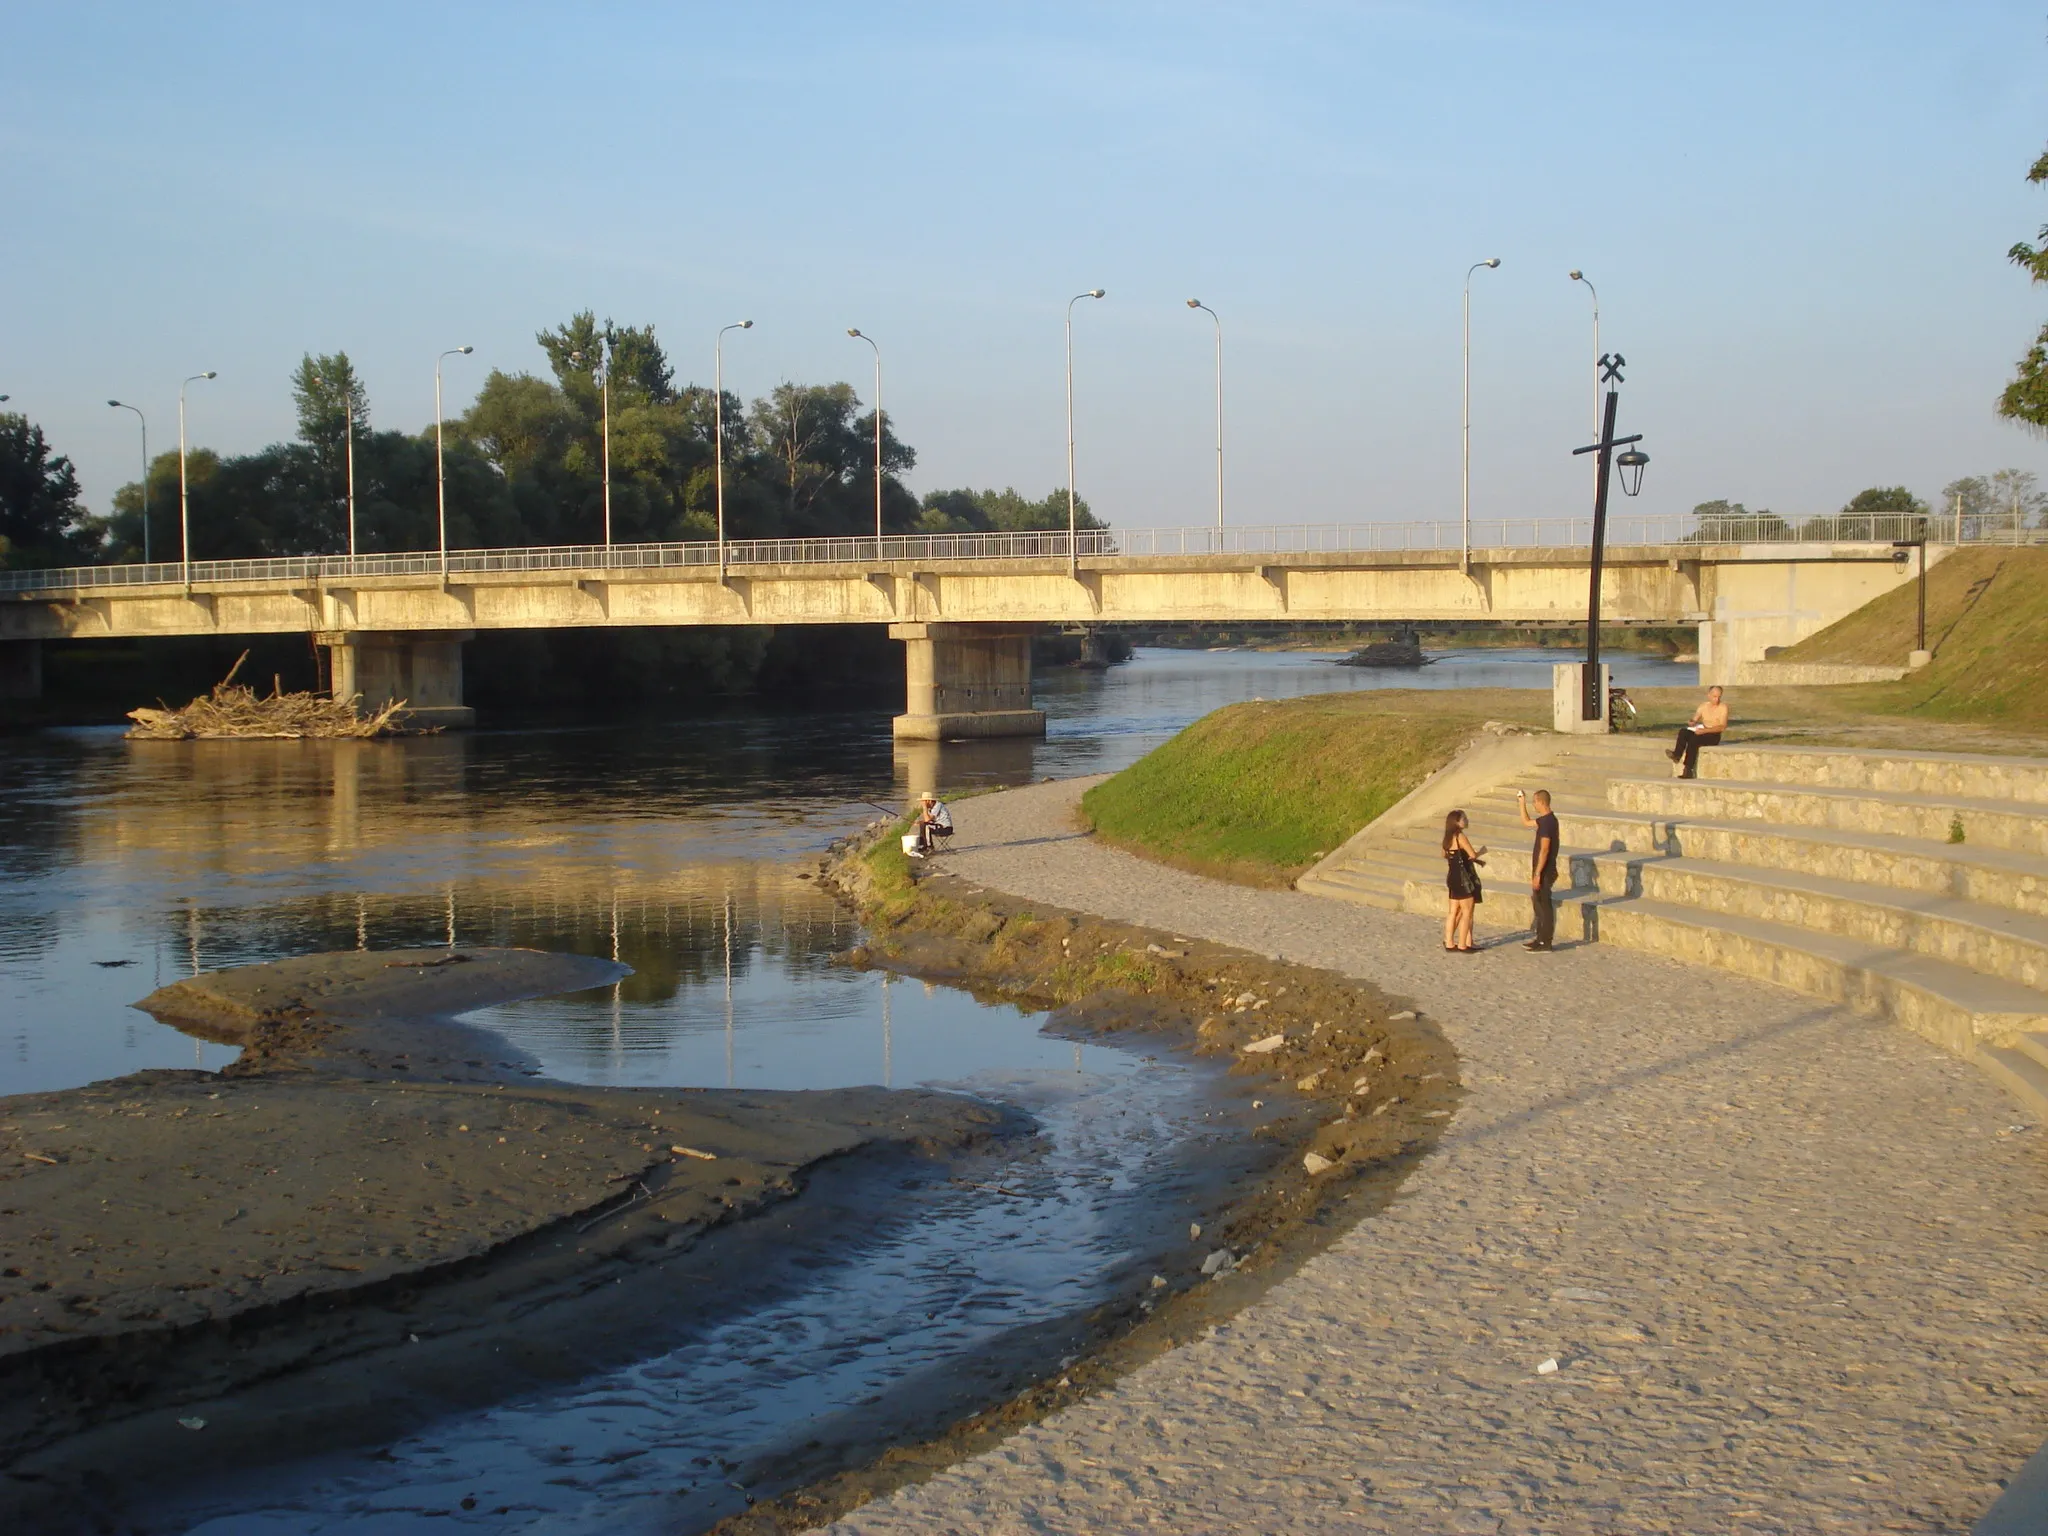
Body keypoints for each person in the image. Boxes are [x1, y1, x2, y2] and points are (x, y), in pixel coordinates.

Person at [1516, 787, 1560, 951]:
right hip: (1542, 870)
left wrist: (1537, 874)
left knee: (1544, 905)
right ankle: (1540, 938)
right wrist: (1522, 803)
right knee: (1539, 903)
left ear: (1541, 802)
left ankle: (1545, 941)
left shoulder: (1548, 823)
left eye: (1534, 802)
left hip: (1545, 871)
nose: (1533, 805)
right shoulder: (1546, 820)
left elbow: (1545, 849)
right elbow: (1527, 822)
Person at [1441, 809, 1486, 953]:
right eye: (1464, 818)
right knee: (1467, 912)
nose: (1466, 820)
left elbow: (1444, 854)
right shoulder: (1460, 836)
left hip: (1452, 876)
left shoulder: (1447, 837)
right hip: (1463, 878)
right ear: (1457, 822)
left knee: (1452, 911)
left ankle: (1449, 942)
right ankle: (1462, 944)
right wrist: (1482, 852)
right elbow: (1472, 855)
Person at [1669, 685, 1730, 779]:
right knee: (1683, 732)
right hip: (1702, 730)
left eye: (1719, 697)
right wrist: (1692, 722)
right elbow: (1694, 719)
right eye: (1714, 696)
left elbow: (1722, 727)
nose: (1716, 699)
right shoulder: (1703, 706)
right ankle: (1677, 755)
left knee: (1694, 740)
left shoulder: (1723, 708)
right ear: (1709, 695)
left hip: (1713, 734)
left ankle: (1688, 770)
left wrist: (1705, 731)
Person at [911, 791, 953, 857]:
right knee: (923, 824)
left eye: (924, 801)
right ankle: (924, 845)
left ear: (929, 801)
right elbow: (928, 820)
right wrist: (919, 822)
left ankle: (930, 847)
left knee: (926, 826)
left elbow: (927, 820)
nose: (922, 803)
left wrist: (924, 808)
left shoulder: (937, 806)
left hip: (946, 828)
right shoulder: (931, 808)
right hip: (939, 826)